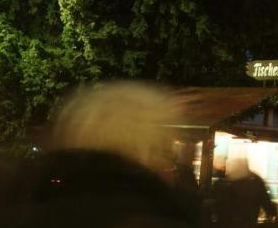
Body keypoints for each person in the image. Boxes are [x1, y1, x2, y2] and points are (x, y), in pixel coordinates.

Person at [14, 82, 197, 228]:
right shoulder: (152, 218)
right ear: (141, 152)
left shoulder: (28, 212)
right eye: (163, 152)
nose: (171, 169)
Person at [213, 157, 277, 226]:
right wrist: (271, 211)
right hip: (248, 222)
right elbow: (266, 202)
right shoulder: (256, 180)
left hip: (227, 223)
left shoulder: (225, 181)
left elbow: (215, 203)